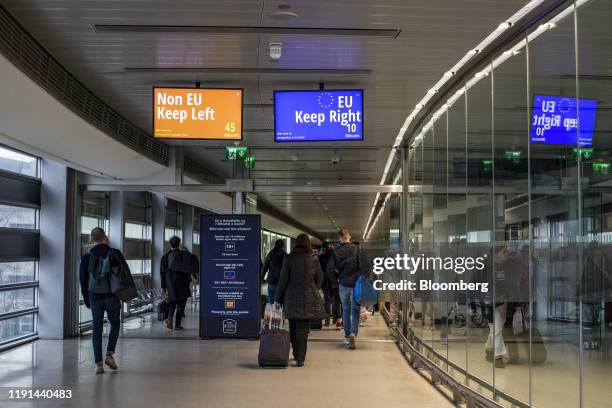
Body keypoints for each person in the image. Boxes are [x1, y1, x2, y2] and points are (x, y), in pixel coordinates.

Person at [79, 227, 126, 374]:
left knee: (97, 329)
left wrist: (87, 299)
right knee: (115, 324)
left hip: (95, 297)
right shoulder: (115, 253)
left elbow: (83, 280)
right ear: (105, 237)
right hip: (112, 296)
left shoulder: (86, 257)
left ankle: (98, 365)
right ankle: (109, 355)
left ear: (91, 239)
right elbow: (123, 275)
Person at [274, 233, 324, 367]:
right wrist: (314, 288)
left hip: (291, 296)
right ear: (308, 243)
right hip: (308, 297)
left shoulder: (289, 258)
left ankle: (296, 353)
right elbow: (320, 278)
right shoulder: (313, 258)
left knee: (293, 327)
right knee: (303, 329)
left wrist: (277, 299)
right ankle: (300, 358)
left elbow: (282, 280)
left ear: (296, 244)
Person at [327, 228, 361, 349]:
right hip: (356, 284)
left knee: (346, 310)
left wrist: (336, 279)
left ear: (339, 238)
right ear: (349, 237)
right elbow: (362, 266)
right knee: (355, 310)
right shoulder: (356, 249)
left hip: (343, 284)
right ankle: (353, 333)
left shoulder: (335, 252)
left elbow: (329, 269)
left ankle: (347, 336)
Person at [161, 236, 197, 330]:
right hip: (183, 283)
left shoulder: (164, 257)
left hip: (170, 284)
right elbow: (189, 267)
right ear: (179, 243)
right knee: (181, 304)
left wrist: (163, 286)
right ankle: (177, 325)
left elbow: (162, 273)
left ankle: (169, 319)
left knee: (172, 302)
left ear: (169, 244)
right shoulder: (184, 255)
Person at [485, 245, 511, 368]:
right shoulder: (488, 268)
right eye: (503, 251)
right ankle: (498, 356)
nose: (506, 253)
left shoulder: (507, 267)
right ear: (496, 254)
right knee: (497, 328)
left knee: (496, 327)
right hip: (493, 302)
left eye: (506, 251)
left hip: (504, 302)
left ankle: (489, 346)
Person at [319, 242, 340, 327]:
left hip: (325, 281)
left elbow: (319, 270)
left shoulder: (321, 257)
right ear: (330, 246)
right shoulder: (336, 255)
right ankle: (335, 319)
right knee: (335, 299)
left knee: (327, 300)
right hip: (334, 281)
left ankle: (327, 320)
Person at [261, 239, 287, 304]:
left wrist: (261, 279)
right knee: (281, 304)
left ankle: (272, 313)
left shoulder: (270, 254)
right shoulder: (285, 255)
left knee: (271, 303)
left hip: (272, 282)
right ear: (283, 246)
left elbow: (264, 268)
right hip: (282, 283)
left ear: (275, 245)